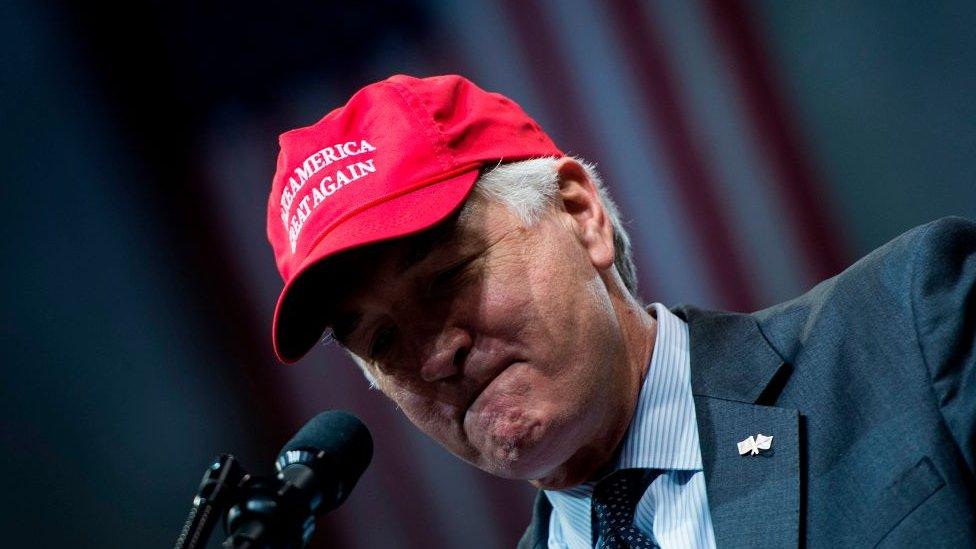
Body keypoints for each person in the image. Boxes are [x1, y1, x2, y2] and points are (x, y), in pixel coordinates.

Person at [265, 74, 975, 548]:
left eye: (447, 278)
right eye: (384, 339)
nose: (432, 354)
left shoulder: (906, 328)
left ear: (580, 214)